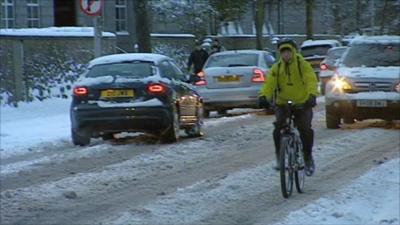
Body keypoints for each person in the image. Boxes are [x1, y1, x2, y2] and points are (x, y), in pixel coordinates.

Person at [259, 38, 319, 176]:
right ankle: (279, 157)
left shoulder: (302, 65)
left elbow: (311, 80)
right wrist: (263, 96)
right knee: (278, 126)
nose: (286, 55)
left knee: (305, 128)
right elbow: (269, 84)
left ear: (293, 52)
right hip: (283, 103)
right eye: (283, 52)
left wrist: (312, 95)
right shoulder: (277, 67)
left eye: (288, 52)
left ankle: (308, 157)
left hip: (302, 102)